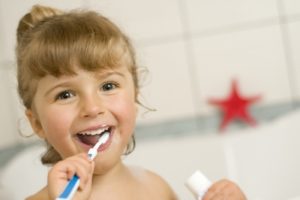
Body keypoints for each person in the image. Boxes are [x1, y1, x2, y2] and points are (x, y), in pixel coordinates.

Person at [16, 4, 246, 200]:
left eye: (108, 86)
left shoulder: (155, 188)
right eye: (65, 94)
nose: (92, 108)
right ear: (36, 122)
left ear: (134, 95)